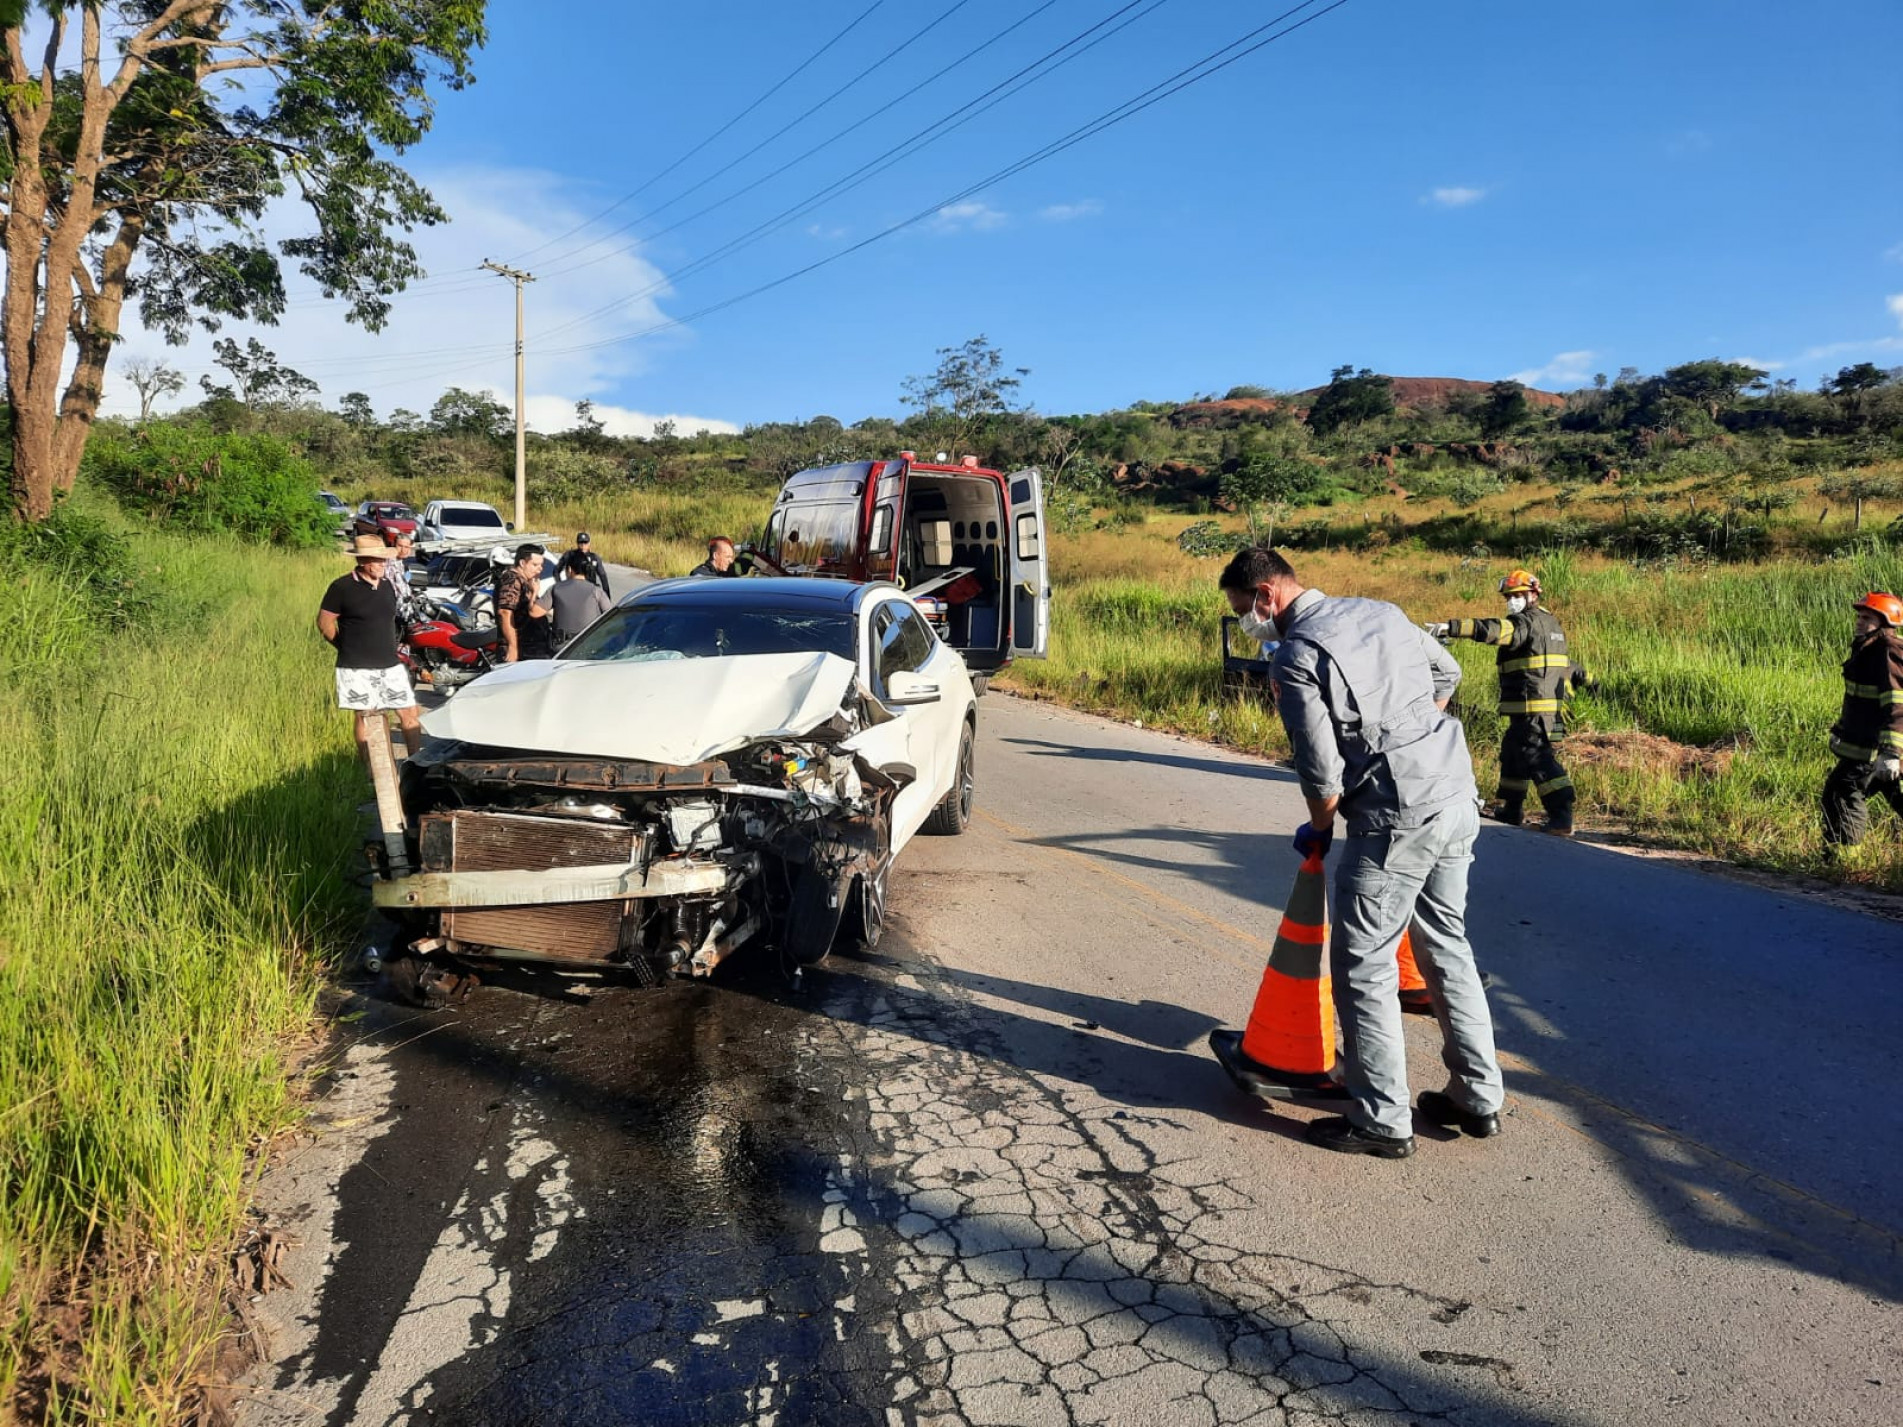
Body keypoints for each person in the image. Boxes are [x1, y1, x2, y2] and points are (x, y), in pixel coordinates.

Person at [1220, 547, 1503, 1159]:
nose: (1250, 623)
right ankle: (1477, 1096)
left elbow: (1321, 774)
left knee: (1366, 964)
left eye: (1246, 611)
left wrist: (1320, 829)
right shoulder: (1383, 611)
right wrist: (1415, 740)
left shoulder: (1295, 658)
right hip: (1456, 795)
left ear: (1268, 595)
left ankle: (1381, 1118)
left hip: (1396, 817)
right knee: (1445, 943)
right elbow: (1447, 674)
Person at [1425, 569, 1584, 837]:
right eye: (1508, 596)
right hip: (1531, 707)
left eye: (1517, 595)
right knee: (1513, 754)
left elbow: (1495, 630)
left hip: (1533, 706)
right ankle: (1511, 810)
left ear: (1533, 594)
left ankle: (1561, 818)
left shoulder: (1526, 622)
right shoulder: (1549, 622)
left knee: (1538, 758)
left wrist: (1451, 627)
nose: (1512, 601)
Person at [317, 535, 423, 760]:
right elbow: (324, 623)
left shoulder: (387, 586)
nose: (382, 565)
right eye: (377, 560)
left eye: (384, 560)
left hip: (389, 662)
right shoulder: (342, 587)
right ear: (363, 561)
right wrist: (344, 646)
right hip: (357, 666)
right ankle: (370, 769)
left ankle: (416, 763)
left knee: (409, 713)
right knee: (366, 716)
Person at [1822, 591, 1903, 848]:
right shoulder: (1867, 649)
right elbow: (1859, 702)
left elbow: (1896, 704)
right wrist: (1840, 730)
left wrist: (1891, 752)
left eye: (1867, 617)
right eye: (1859, 616)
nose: (1859, 621)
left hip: (1875, 751)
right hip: (1867, 747)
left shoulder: (1886, 651)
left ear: (1884, 621)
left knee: (1842, 792)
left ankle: (1842, 854)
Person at [495, 543, 554, 662]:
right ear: (522, 563)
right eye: (535, 565)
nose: (540, 569)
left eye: (541, 565)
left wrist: (534, 592)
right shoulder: (512, 579)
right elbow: (505, 612)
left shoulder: (527, 582)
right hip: (521, 649)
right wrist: (512, 647)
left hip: (532, 648)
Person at [551, 552, 613, 648]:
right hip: (590, 645)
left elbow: (535, 612)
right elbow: (610, 616)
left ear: (570, 570)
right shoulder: (595, 590)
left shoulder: (556, 589)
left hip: (562, 647)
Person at [570, 531, 612, 596]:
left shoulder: (595, 558)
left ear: (589, 543)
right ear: (577, 543)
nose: (583, 545)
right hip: (576, 591)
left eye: (585, 542)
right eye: (581, 543)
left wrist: (607, 595)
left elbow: (603, 577)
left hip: (591, 591)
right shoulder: (572, 557)